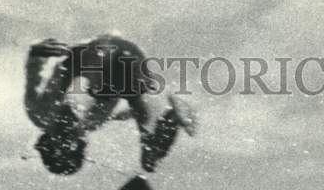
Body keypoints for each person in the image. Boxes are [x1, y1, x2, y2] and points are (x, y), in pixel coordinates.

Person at [24, 34, 196, 175]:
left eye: (62, 144)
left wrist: (36, 52)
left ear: (48, 144)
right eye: (73, 144)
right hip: (128, 58)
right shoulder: (93, 123)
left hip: (97, 53)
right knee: (140, 109)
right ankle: (157, 125)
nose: (71, 140)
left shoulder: (39, 114)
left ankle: (156, 110)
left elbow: (32, 75)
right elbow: (124, 113)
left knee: (79, 97)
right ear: (79, 144)